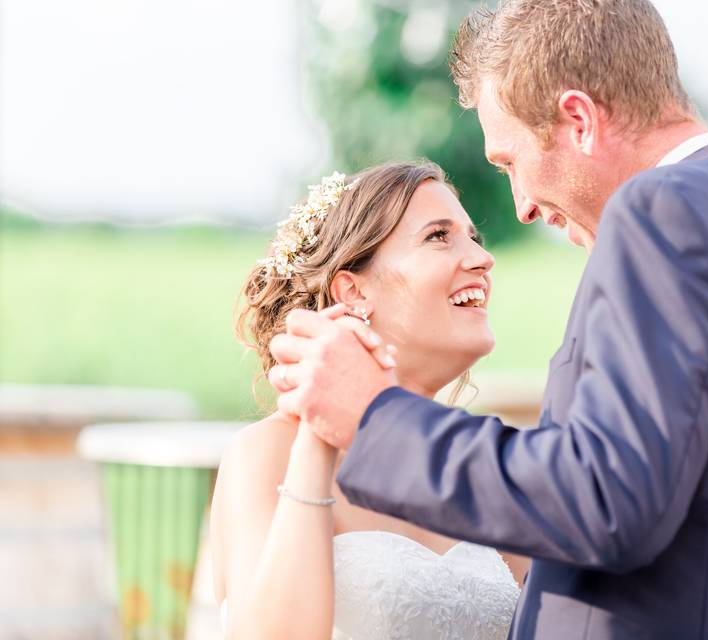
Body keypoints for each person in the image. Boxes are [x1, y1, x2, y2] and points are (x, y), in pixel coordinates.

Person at [270, 1, 708, 638]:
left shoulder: (665, 211)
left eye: (510, 162)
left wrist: (377, 416)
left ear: (579, 120)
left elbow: (607, 497)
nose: (523, 207)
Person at [209, 162, 529, 640]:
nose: (483, 259)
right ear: (353, 291)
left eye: (474, 237)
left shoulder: (473, 460)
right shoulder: (264, 453)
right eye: (439, 236)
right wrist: (318, 437)